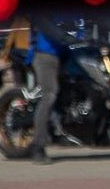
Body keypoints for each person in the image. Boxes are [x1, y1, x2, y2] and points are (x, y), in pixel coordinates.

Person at [24, 10, 87, 164]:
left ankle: (66, 130)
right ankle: (38, 146)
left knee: (81, 86)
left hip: (71, 53)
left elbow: (100, 19)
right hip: (45, 54)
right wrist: (64, 37)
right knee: (50, 93)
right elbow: (45, 24)